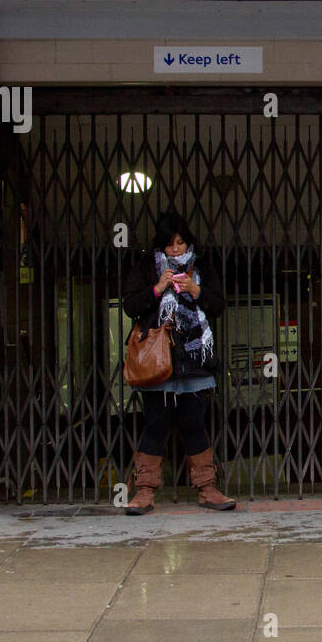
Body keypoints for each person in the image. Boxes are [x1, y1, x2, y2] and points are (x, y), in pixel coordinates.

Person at [121, 211, 235, 513]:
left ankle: (208, 489)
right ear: (161, 245)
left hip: (194, 361)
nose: (177, 250)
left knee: (195, 424)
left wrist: (196, 291)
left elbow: (219, 305)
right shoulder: (146, 269)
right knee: (155, 424)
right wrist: (158, 289)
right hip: (156, 364)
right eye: (171, 245)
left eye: (181, 243)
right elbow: (130, 306)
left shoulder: (202, 269)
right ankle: (144, 493)